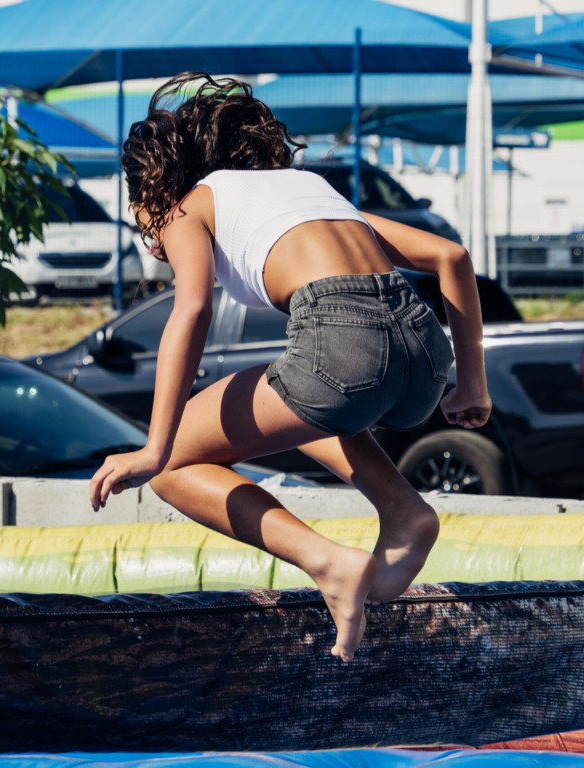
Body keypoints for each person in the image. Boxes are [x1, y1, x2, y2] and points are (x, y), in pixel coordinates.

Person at [89, 72, 490, 662]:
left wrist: (152, 448)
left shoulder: (187, 207)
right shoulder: (307, 189)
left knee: (173, 464)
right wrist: (471, 385)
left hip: (346, 350)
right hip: (424, 355)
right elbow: (450, 255)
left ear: (156, 185)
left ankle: (327, 562)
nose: (147, 230)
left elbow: (192, 309)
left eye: (140, 212)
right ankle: (404, 512)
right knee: (293, 395)